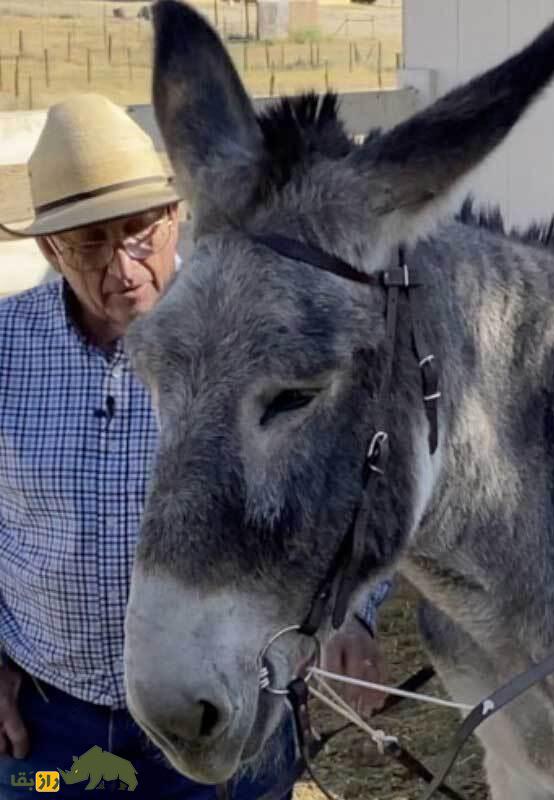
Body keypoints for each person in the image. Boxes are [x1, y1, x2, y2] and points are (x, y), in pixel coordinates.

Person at [0, 94, 391, 798]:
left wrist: (353, 611)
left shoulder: (254, 334)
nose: (122, 267)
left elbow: (359, 479)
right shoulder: (3, 347)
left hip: (230, 712)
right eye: (88, 242)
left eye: (138, 231)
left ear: (176, 215)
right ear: (47, 249)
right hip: (50, 731)